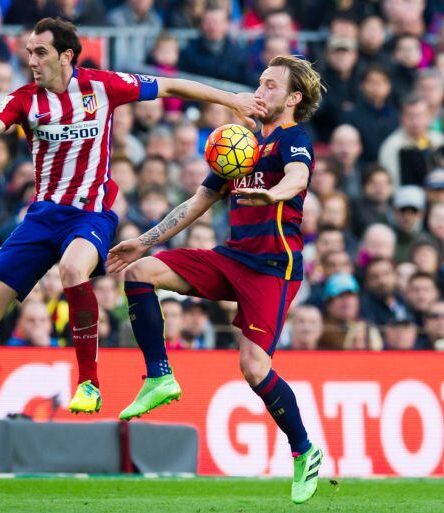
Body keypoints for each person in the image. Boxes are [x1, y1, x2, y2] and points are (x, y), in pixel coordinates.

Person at [0, 17, 265, 450]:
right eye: (28, 52)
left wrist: (233, 101)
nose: (32, 61)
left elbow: (171, 87)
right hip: (41, 218)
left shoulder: (104, 86)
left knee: (73, 268)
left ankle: (89, 383)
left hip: (91, 214)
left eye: (40, 52)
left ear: (66, 56)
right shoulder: (26, 99)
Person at [107, 55, 324, 503]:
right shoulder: (238, 145)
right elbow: (195, 204)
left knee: (253, 367)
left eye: (269, 86)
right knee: (139, 272)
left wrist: (274, 191)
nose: (259, 92)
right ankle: (159, 376)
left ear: (293, 98)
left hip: (272, 268)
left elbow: (299, 177)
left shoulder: (292, 138)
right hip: (233, 258)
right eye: (260, 83)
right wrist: (144, 241)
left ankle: (304, 450)